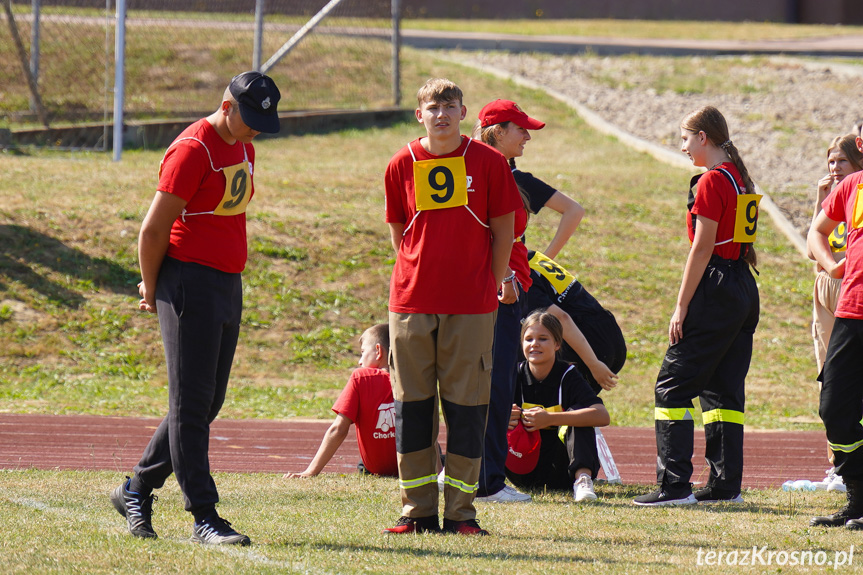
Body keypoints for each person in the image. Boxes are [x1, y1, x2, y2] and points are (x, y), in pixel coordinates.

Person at [109, 71, 281, 545]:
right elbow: (152, 228)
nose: (255, 130)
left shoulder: (244, 144)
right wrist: (150, 285)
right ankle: (204, 515)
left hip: (227, 281)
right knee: (190, 404)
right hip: (187, 280)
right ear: (226, 106)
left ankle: (136, 488)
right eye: (249, 119)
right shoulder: (193, 149)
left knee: (206, 401)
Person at [383, 78, 521, 535]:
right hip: (411, 303)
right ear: (418, 114)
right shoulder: (400, 162)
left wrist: (491, 280)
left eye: (450, 106)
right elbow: (399, 232)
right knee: (413, 407)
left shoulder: (489, 162)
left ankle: (461, 512)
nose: (440, 114)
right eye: (432, 106)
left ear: (463, 113)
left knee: (466, 409)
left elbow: (504, 229)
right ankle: (417, 510)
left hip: (472, 305)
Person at [633, 106, 760, 506]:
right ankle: (725, 486)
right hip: (741, 286)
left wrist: (680, 306)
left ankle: (674, 486)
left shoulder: (710, 181)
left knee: (671, 387)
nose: (683, 146)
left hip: (716, 287)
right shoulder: (737, 177)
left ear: (703, 137)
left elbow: (702, 248)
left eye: (686, 138)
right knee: (722, 391)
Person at [471, 99, 586, 504]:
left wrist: (534, 264)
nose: (528, 136)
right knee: (492, 380)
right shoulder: (484, 170)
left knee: (491, 380)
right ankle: (484, 479)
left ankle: (477, 474)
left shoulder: (503, 172)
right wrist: (505, 276)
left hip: (509, 285)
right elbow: (483, 234)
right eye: (520, 129)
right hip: (498, 288)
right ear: (497, 131)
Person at [809, 121, 863, 529]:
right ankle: (858, 496)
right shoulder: (852, 185)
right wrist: (832, 265)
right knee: (834, 406)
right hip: (851, 309)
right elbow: (817, 232)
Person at [505, 310, 610, 502]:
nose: (534, 344)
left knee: (578, 415)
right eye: (528, 339)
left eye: (543, 338)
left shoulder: (568, 375)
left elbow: (602, 415)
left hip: (562, 470)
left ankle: (583, 480)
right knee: (495, 415)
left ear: (557, 344)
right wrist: (502, 416)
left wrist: (550, 418)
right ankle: (487, 479)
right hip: (521, 468)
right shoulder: (513, 375)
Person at [283, 323, 397, 479]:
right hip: (413, 466)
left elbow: (338, 429)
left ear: (378, 351)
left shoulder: (361, 378)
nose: (359, 361)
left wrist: (310, 472)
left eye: (362, 352)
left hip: (375, 468)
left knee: (362, 465)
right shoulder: (414, 379)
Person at [525, 250, 625, 395]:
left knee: (564, 410)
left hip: (589, 347)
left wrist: (593, 363)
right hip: (610, 333)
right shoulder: (532, 256)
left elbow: (561, 318)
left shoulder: (518, 275)